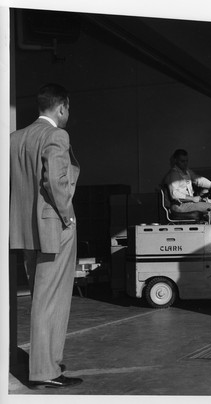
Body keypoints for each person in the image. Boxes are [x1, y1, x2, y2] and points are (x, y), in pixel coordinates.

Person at [10, 84, 83, 389]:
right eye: (68, 109)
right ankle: (45, 371)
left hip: (25, 231)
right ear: (61, 106)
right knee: (52, 299)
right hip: (54, 228)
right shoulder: (57, 135)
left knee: (42, 297)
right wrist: (67, 216)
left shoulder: (15, 138)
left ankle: (45, 364)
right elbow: (54, 179)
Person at [163, 149, 211, 239]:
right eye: (182, 161)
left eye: (186, 161)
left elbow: (199, 180)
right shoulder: (173, 175)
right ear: (175, 160)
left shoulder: (186, 172)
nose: (185, 163)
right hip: (179, 205)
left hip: (187, 204)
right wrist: (192, 198)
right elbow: (174, 194)